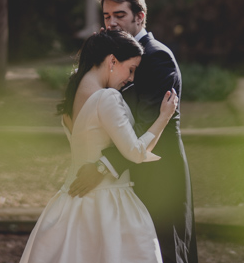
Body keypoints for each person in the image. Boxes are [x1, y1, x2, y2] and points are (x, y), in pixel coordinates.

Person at [19, 29, 179, 263]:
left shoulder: (74, 95)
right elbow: (135, 152)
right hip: (109, 204)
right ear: (112, 61)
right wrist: (164, 116)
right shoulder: (107, 98)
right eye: (131, 69)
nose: (131, 79)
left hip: (73, 201)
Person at [69, 0, 198, 263]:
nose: (112, 23)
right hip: (128, 173)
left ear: (140, 17)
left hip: (158, 174)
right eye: (106, 17)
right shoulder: (110, 57)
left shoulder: (157, 57)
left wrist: (103, 166)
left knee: (162, 251)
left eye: (120, 15)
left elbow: (146, 122)